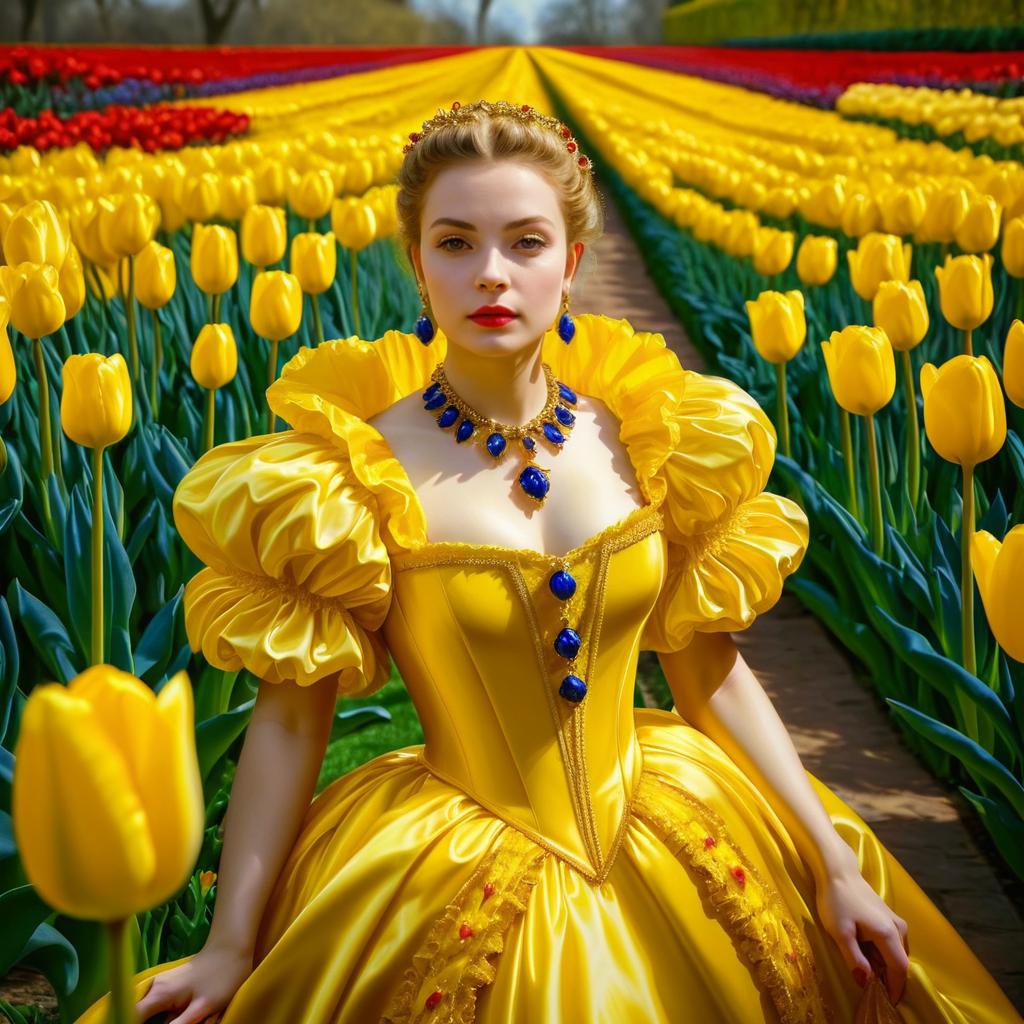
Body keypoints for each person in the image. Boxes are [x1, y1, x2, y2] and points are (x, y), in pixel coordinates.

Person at [74, 99, 1022, 1024]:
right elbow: (287, 729)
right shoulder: (341, 474)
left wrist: (834, 862)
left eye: (525, 242)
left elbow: (710, 671)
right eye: (455, 242)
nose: (492, 274)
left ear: (570, 263)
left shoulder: (656, 432)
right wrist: (233, 945)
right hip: (445, 853)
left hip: (671, 823)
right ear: (417, 265)